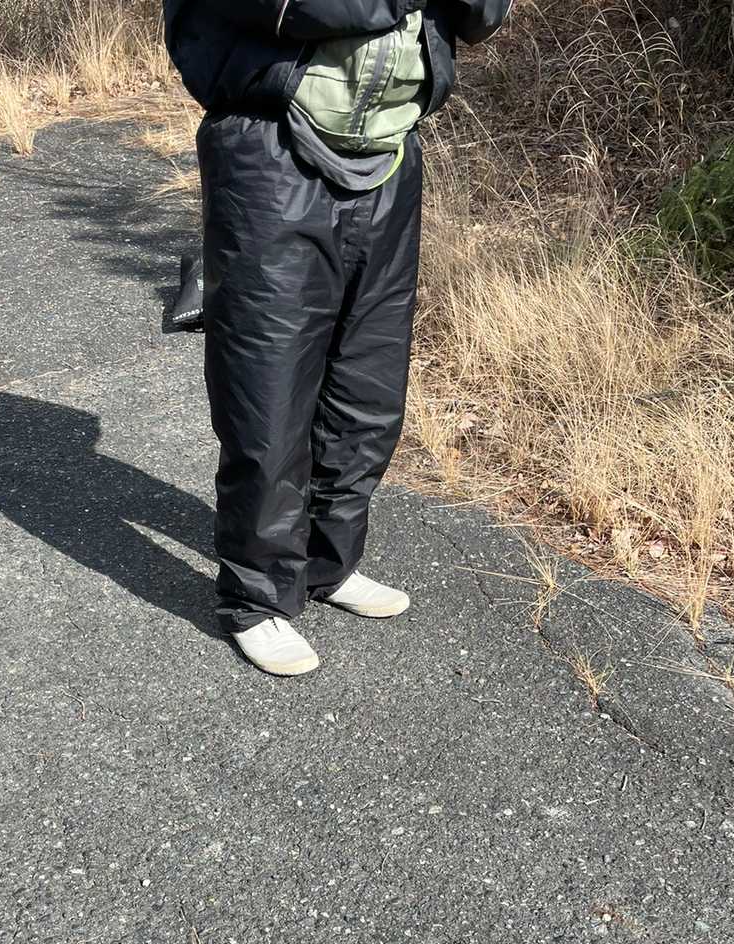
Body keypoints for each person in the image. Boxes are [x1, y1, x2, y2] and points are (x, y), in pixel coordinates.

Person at [163, 0, 513, 675]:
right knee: (268, 389)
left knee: (367, 384)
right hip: (271, 149)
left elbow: (481, 16)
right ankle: (256, 597)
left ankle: (329, 561)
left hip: (389, 150)